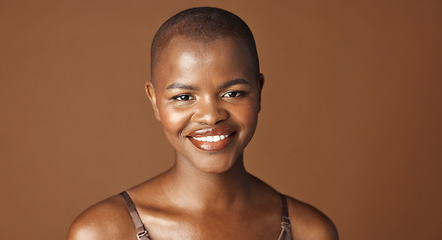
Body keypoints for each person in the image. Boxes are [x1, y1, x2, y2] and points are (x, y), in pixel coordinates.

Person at [67, 7, 338, 240]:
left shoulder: (310, 231)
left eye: (233, 93)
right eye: (184, 97)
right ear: (154, 101)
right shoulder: (102, 232)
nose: (210, 116)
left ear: (259, 92)